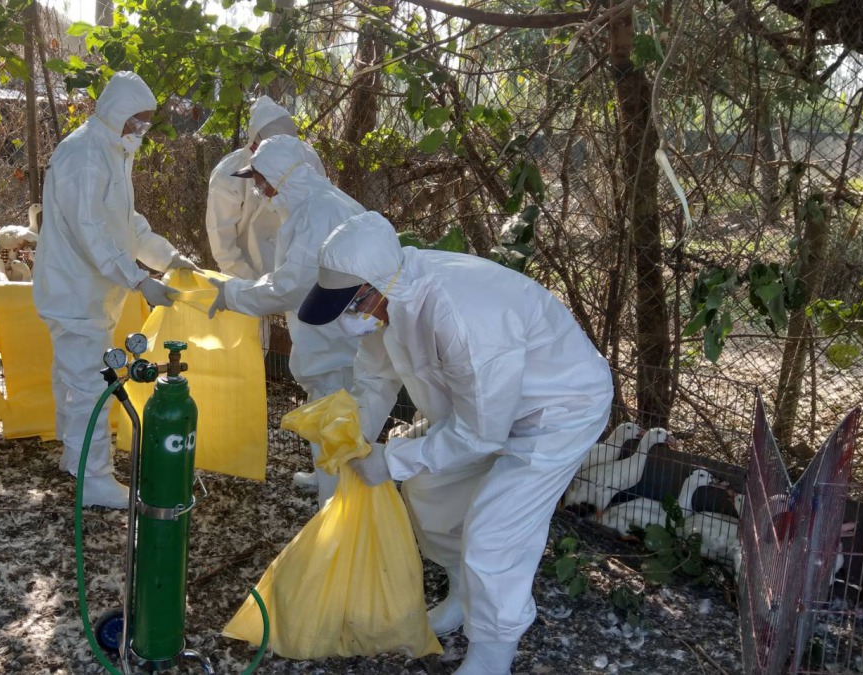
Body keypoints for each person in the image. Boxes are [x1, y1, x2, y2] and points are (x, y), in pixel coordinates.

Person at [297, 212, 613, 675]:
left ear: (372, 288)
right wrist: (355, 436)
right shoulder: (394, 297)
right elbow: (376, 380)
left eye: (347, 307)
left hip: (556, 411)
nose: (347, 320)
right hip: (478, 413)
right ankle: (464, 593)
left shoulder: (460, 313)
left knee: (494, 533)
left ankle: (493, 654)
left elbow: (485, 432)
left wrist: (396, 458)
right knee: (429, 492)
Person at [33, 71, 200, 509]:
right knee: (88, 385)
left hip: (87, 294)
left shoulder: (110, 151)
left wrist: (167, 258)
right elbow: (91, 232)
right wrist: (139, 279)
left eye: (145, 121)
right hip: (75, 291)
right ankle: (95, 480)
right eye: (137, 120)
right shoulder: (85, 155)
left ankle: (77, 459)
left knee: (76, 381)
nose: (140, 129)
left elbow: (126, 225)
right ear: (116, 112)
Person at [206, 135, 362, 505]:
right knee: (325, 406)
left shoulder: (316, 214)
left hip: (336, 339)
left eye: (260, 180)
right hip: (334, 333)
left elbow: (290, 287)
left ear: (281, 175)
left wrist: (232, 294)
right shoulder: (317, 202)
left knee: (333, 410)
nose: (258, 190)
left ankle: (336, 509)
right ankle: (326, 476)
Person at [205, 95, 321, 281]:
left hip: (299, 268)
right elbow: (222, 239)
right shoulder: (229, 175)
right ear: (254, 146)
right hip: (249, 273)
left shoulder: (308, 159)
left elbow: (316, 217)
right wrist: (248, 285)